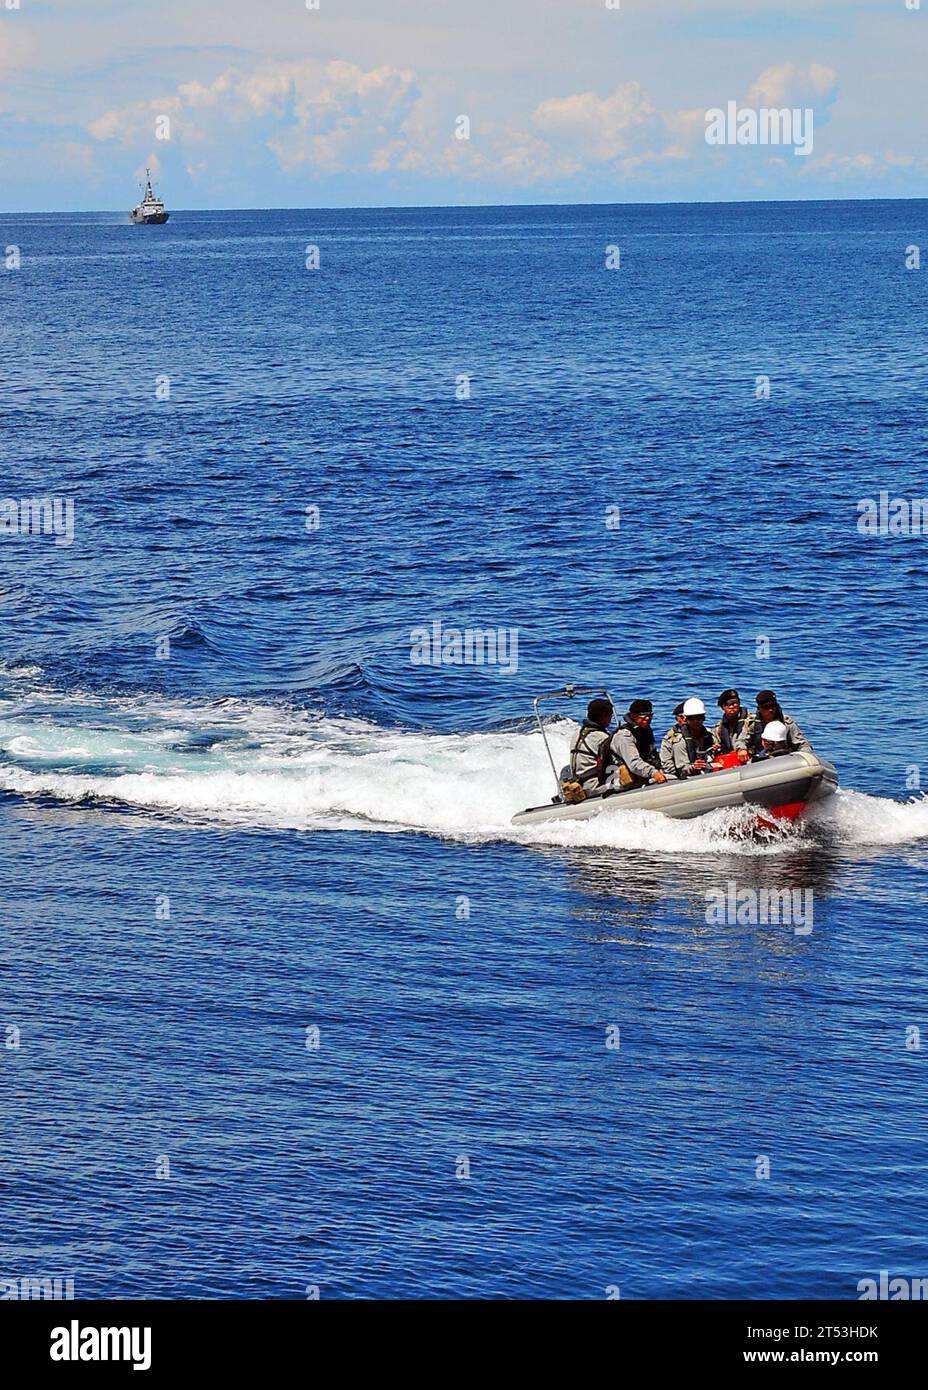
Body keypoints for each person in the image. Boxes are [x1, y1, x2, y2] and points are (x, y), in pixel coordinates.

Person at [736, 689, 811, 759]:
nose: (770, 710)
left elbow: (802, 744)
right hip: (760, 759)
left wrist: (804, 758)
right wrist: (742, 749)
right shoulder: (752, 723)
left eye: (773, 706)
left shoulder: (787, 723)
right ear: (759, 708)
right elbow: (741, 740)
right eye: (766, 707)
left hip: (786, 758)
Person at [610, 699, 668, 787]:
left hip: (643, 774)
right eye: (643, 715)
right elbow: (634, 763)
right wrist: (654, 773)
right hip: (621, 780)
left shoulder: (645, 731)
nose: (647, 718)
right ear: (633, 715)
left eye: (650, 715)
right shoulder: (624, 736)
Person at [566, 698, 615, 793]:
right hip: (594, 786)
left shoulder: (576, 734)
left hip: (579, 783)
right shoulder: (601, 737)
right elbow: (616, 760)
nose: (611, 718)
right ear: (604, 717)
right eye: (610, 716)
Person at [661, 697, 718, 778]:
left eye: (699, 718)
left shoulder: (709, 735)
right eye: (692, 718)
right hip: (681, 774)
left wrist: (716, 750)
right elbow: (680, 768)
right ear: (686, 719)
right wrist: (693, 767)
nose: (696, 721)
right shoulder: (678, 741)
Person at [714, 688, 751, 754]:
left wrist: (742, 749)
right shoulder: (719, 728)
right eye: (727, 704)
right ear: (722, 707)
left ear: (739, 703)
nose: (731, 706)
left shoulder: (750, 721)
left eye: (734, 703)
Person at [659, 703, 687, 771]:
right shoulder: (669, 738)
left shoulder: (706, 732)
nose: (685, 719)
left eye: (688, 716)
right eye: (682, 717)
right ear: (676, 719)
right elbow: (666, 762)